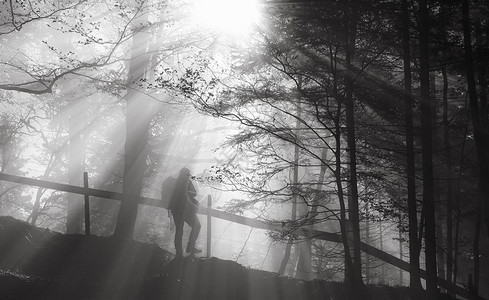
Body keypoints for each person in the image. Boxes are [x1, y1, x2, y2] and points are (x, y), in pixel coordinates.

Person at [167, 167, 201, 257]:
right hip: (186, 210)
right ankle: (190, 246)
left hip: (176, 210)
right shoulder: (187, 182)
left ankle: (179, 252)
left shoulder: (174, 182)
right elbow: (194, 193)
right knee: (197, 226)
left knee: (179, 231)